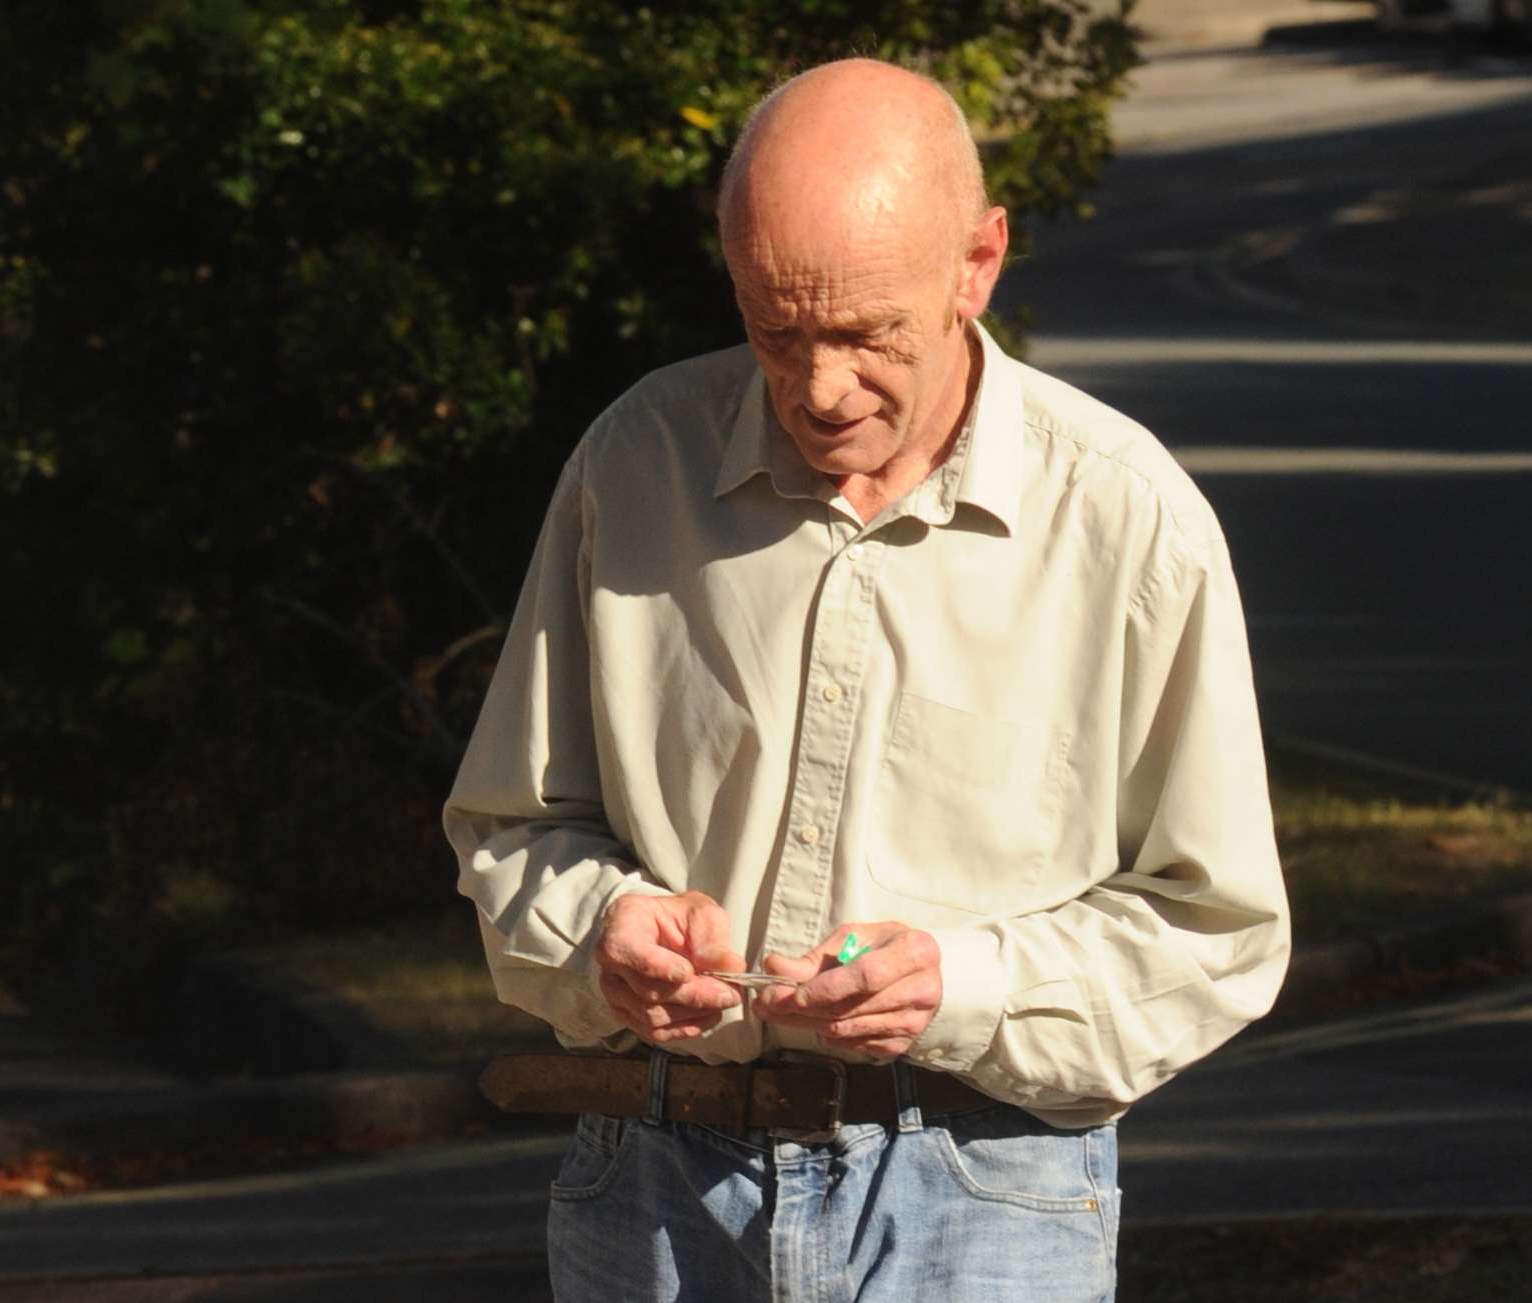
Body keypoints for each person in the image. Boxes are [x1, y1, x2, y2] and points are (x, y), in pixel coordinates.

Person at [445, 57, 1290, 1303]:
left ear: (978, 263)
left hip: (987, 1188)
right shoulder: (636, 465)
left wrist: (965, 984)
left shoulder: (1125, 517)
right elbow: (517, 828)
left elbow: (1217, 930)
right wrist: (603, 932)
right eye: (774, 330)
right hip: (654, 1182)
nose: (820, 387)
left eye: (865, 334)